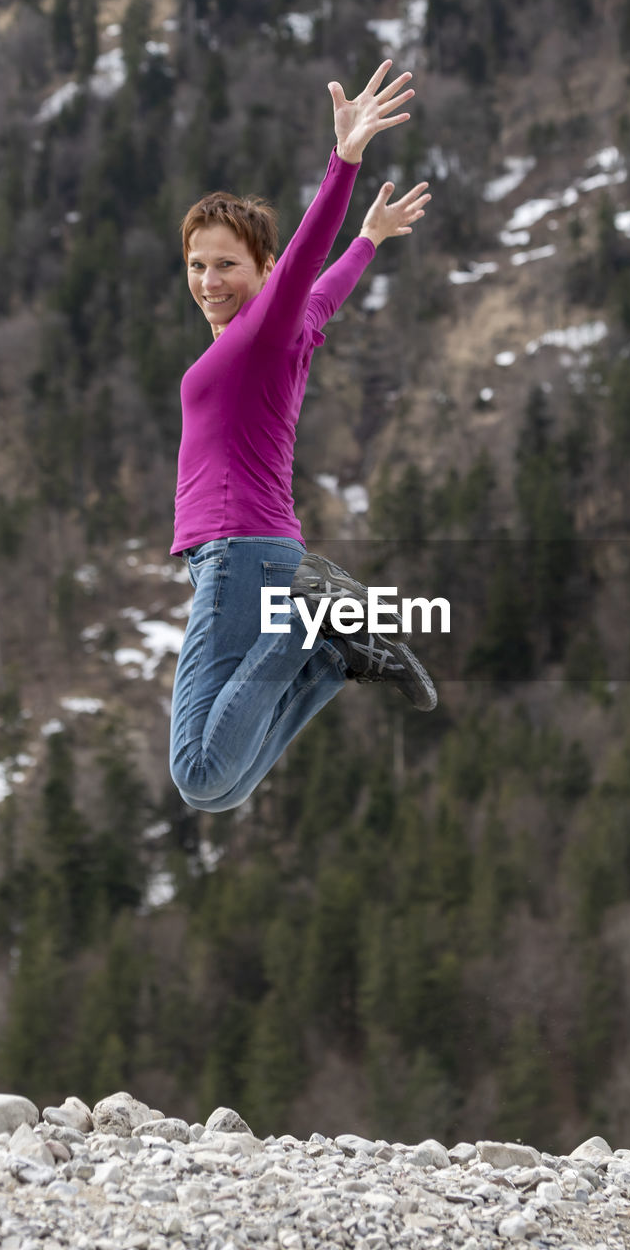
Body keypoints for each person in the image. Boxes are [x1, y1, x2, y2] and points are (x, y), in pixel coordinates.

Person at [169, 60, 436, 814]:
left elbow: (305, 274)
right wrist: (370, 242)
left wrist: (343, 161)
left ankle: (304, 624)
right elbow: (324, 293)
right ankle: (323, 654)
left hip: (238, 553)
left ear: (263, 272)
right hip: (258, 552)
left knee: (198, 772)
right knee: (220, 791)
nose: (208, 280)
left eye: (227, 265)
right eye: (196, 264)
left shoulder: (260, 332)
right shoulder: (280, 334)